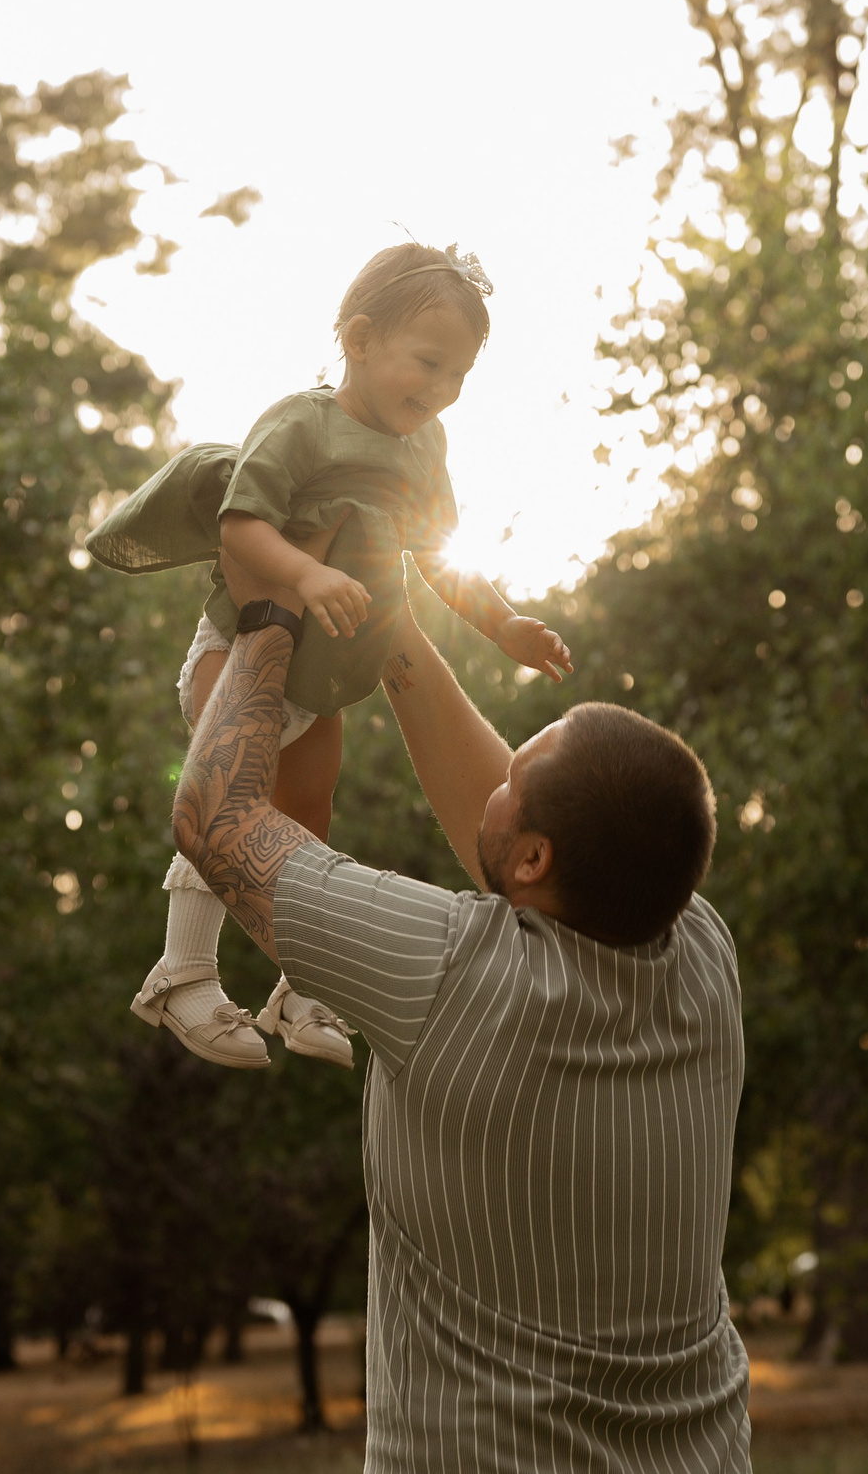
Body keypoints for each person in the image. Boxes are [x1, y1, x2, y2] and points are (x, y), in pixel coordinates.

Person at [173, 587, 751, 1471]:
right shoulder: (700, 952)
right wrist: (384, 618)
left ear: (532, 857)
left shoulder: (449, 974)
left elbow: (216, 822)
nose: (498, 780)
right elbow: (535, 839)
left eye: (515, 777)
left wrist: (270, 608)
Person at [87, 241, 572, 1070]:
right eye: (428, 363)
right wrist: (306, 573)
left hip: (330, 675)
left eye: (459, 376)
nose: (441, 390)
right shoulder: (302, 423)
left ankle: (299, 983)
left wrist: (505, 625)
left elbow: (440, 553)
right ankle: (183, 970)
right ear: (357, 338)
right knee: (229, 802)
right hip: (240, 650)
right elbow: (240, 523)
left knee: (304, 822)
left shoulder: (425, 448)